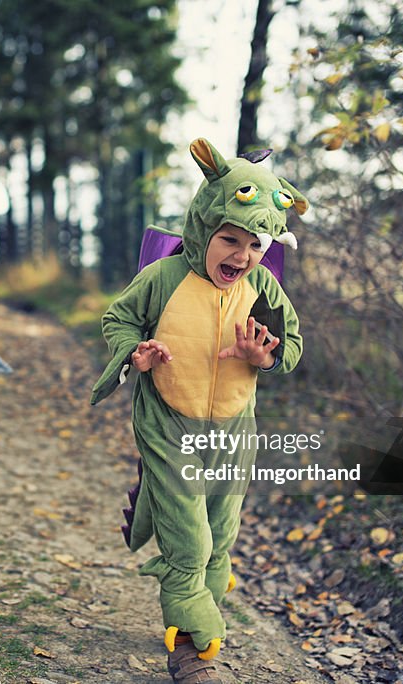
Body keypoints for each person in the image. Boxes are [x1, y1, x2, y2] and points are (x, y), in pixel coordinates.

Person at [90, 138, 308, 683]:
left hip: (235, 428)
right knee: (191, 537)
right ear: (203, 227)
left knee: (220, 530)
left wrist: (268, 354)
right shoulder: (163, 279)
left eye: (254, 243)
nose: (241, 255)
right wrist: (134, 353)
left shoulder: (262, 286)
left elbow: (293, 345)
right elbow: (118, 320)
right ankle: (190, 646)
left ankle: (196, 607)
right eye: (229, 239)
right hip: (168, 421)